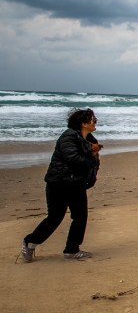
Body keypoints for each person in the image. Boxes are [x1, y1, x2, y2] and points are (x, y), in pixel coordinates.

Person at [19, 108, 102, 262]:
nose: (95, 121)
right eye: (92, 119)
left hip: (76, 184)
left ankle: (71, 250)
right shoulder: (69, 137)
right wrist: (91, 160)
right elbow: (74, 159)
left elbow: (91, 161)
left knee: (80, 216)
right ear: (83, 123)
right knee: (55, 218)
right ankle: (29, 242)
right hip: (59, 183)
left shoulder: (90, 140)